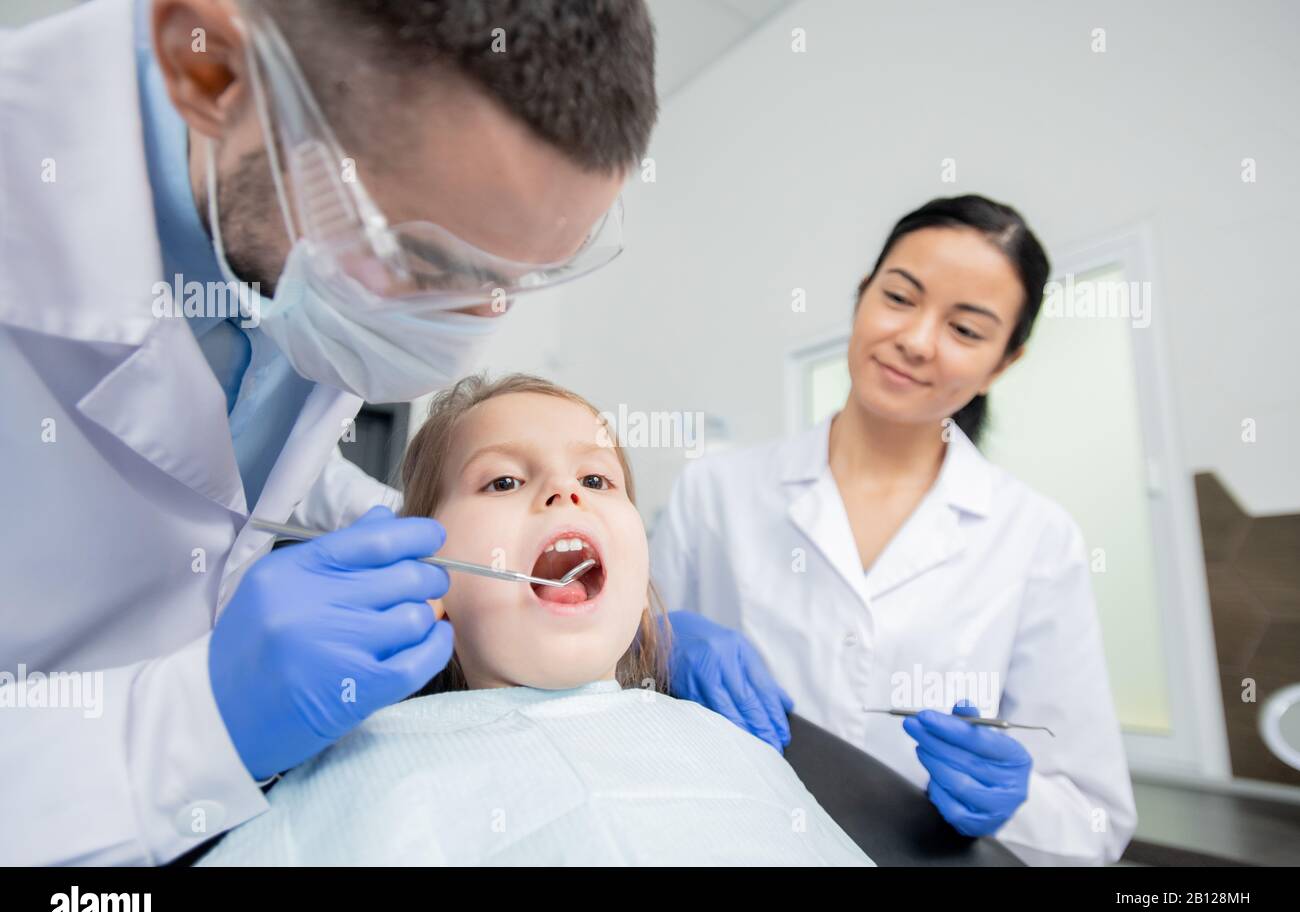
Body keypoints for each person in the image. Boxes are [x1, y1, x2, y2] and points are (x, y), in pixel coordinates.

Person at [0, 0, 656, 864]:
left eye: (524, 278)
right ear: (212, 73)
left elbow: (225, 462)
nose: (469, 330)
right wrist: (199, 721)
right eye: (426, 264)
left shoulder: (291, 207)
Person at [196, 373, 871, 865]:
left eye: (599, 480)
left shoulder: (735, 750)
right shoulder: (354, 769)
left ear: (640, 581)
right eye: (503, 481)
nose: (565, 491)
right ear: (428, 577)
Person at [652, 195, 1138, 865]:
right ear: (862, 295)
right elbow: (617, 683)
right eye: (901, 297)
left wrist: (1012, 799)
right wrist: (662, 641)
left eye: (965, 330)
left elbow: (1093, 819)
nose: (916, 340)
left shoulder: (1037, 537)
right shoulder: (716, 491)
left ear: (1004, 363)